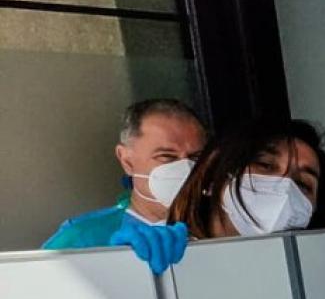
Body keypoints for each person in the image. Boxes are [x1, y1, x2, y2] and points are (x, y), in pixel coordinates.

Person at [107, 116, 325, 275]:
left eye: (303, 184)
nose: (283, 188)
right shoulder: (162, 257)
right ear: (212, 175)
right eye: (265, 166)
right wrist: (120, 270)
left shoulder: (305, 274)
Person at [42, 98, 206, 252]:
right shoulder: (83, 238)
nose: (186, 168)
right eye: (166, 156)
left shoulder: (222, 228)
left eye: (196, 158)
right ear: (127, 161)